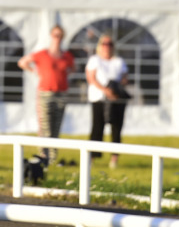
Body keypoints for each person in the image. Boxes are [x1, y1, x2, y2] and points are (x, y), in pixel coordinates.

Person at [18, 25, 76, 164]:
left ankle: (53, 157)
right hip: (46, 93)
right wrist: (34, 71)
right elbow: (22, 62)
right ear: (51, 36)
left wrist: (65, 75)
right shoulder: (42, 54)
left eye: (60, 35)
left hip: (61, 93)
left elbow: (73, 68)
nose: (57, 38)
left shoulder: (66, 56)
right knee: (45, 126)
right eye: (55, 35)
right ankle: (44, 155)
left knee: (56, 126)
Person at [85, 33, 129, 168]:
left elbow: (125, 77)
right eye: (104, 44)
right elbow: (91, 78)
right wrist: (105, 90)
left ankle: (114, 158)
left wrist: (115, 90)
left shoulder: (118, 61)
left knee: (116, 128)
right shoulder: (94, 59)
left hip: (115, 99)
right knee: (97, 127)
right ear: (100, 46)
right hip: (99, 99)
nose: (107, 47)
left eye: (110, 44)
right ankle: (92, 157)